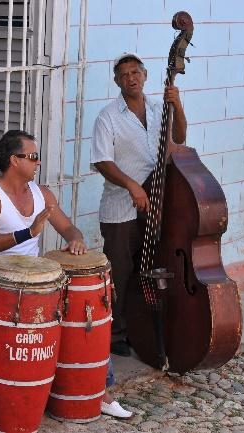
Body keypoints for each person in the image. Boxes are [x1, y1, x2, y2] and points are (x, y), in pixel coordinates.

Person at [0, 129, 131, 418]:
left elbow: (70, 227)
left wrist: (75, 240)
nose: (38, 162)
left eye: (38, 157)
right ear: (14, 160)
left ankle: (98, 391)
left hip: (35, 282)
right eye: (33, 157)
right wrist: (27, 233)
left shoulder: (42, 194)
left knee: (85, 318)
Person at [91, 53, 187, 358]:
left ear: (145, 76)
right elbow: (102, 161)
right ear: (117, 81)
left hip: (156, 202)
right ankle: (115, 332)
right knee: (120, 272)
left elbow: (180, 138)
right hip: (121, 207)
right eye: (124, 74)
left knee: (149, 268)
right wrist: (132, 185)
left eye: (136, 72)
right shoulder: (108, 117)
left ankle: (140, 327)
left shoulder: (161, 109)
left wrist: (178, 105)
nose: (131, 78)